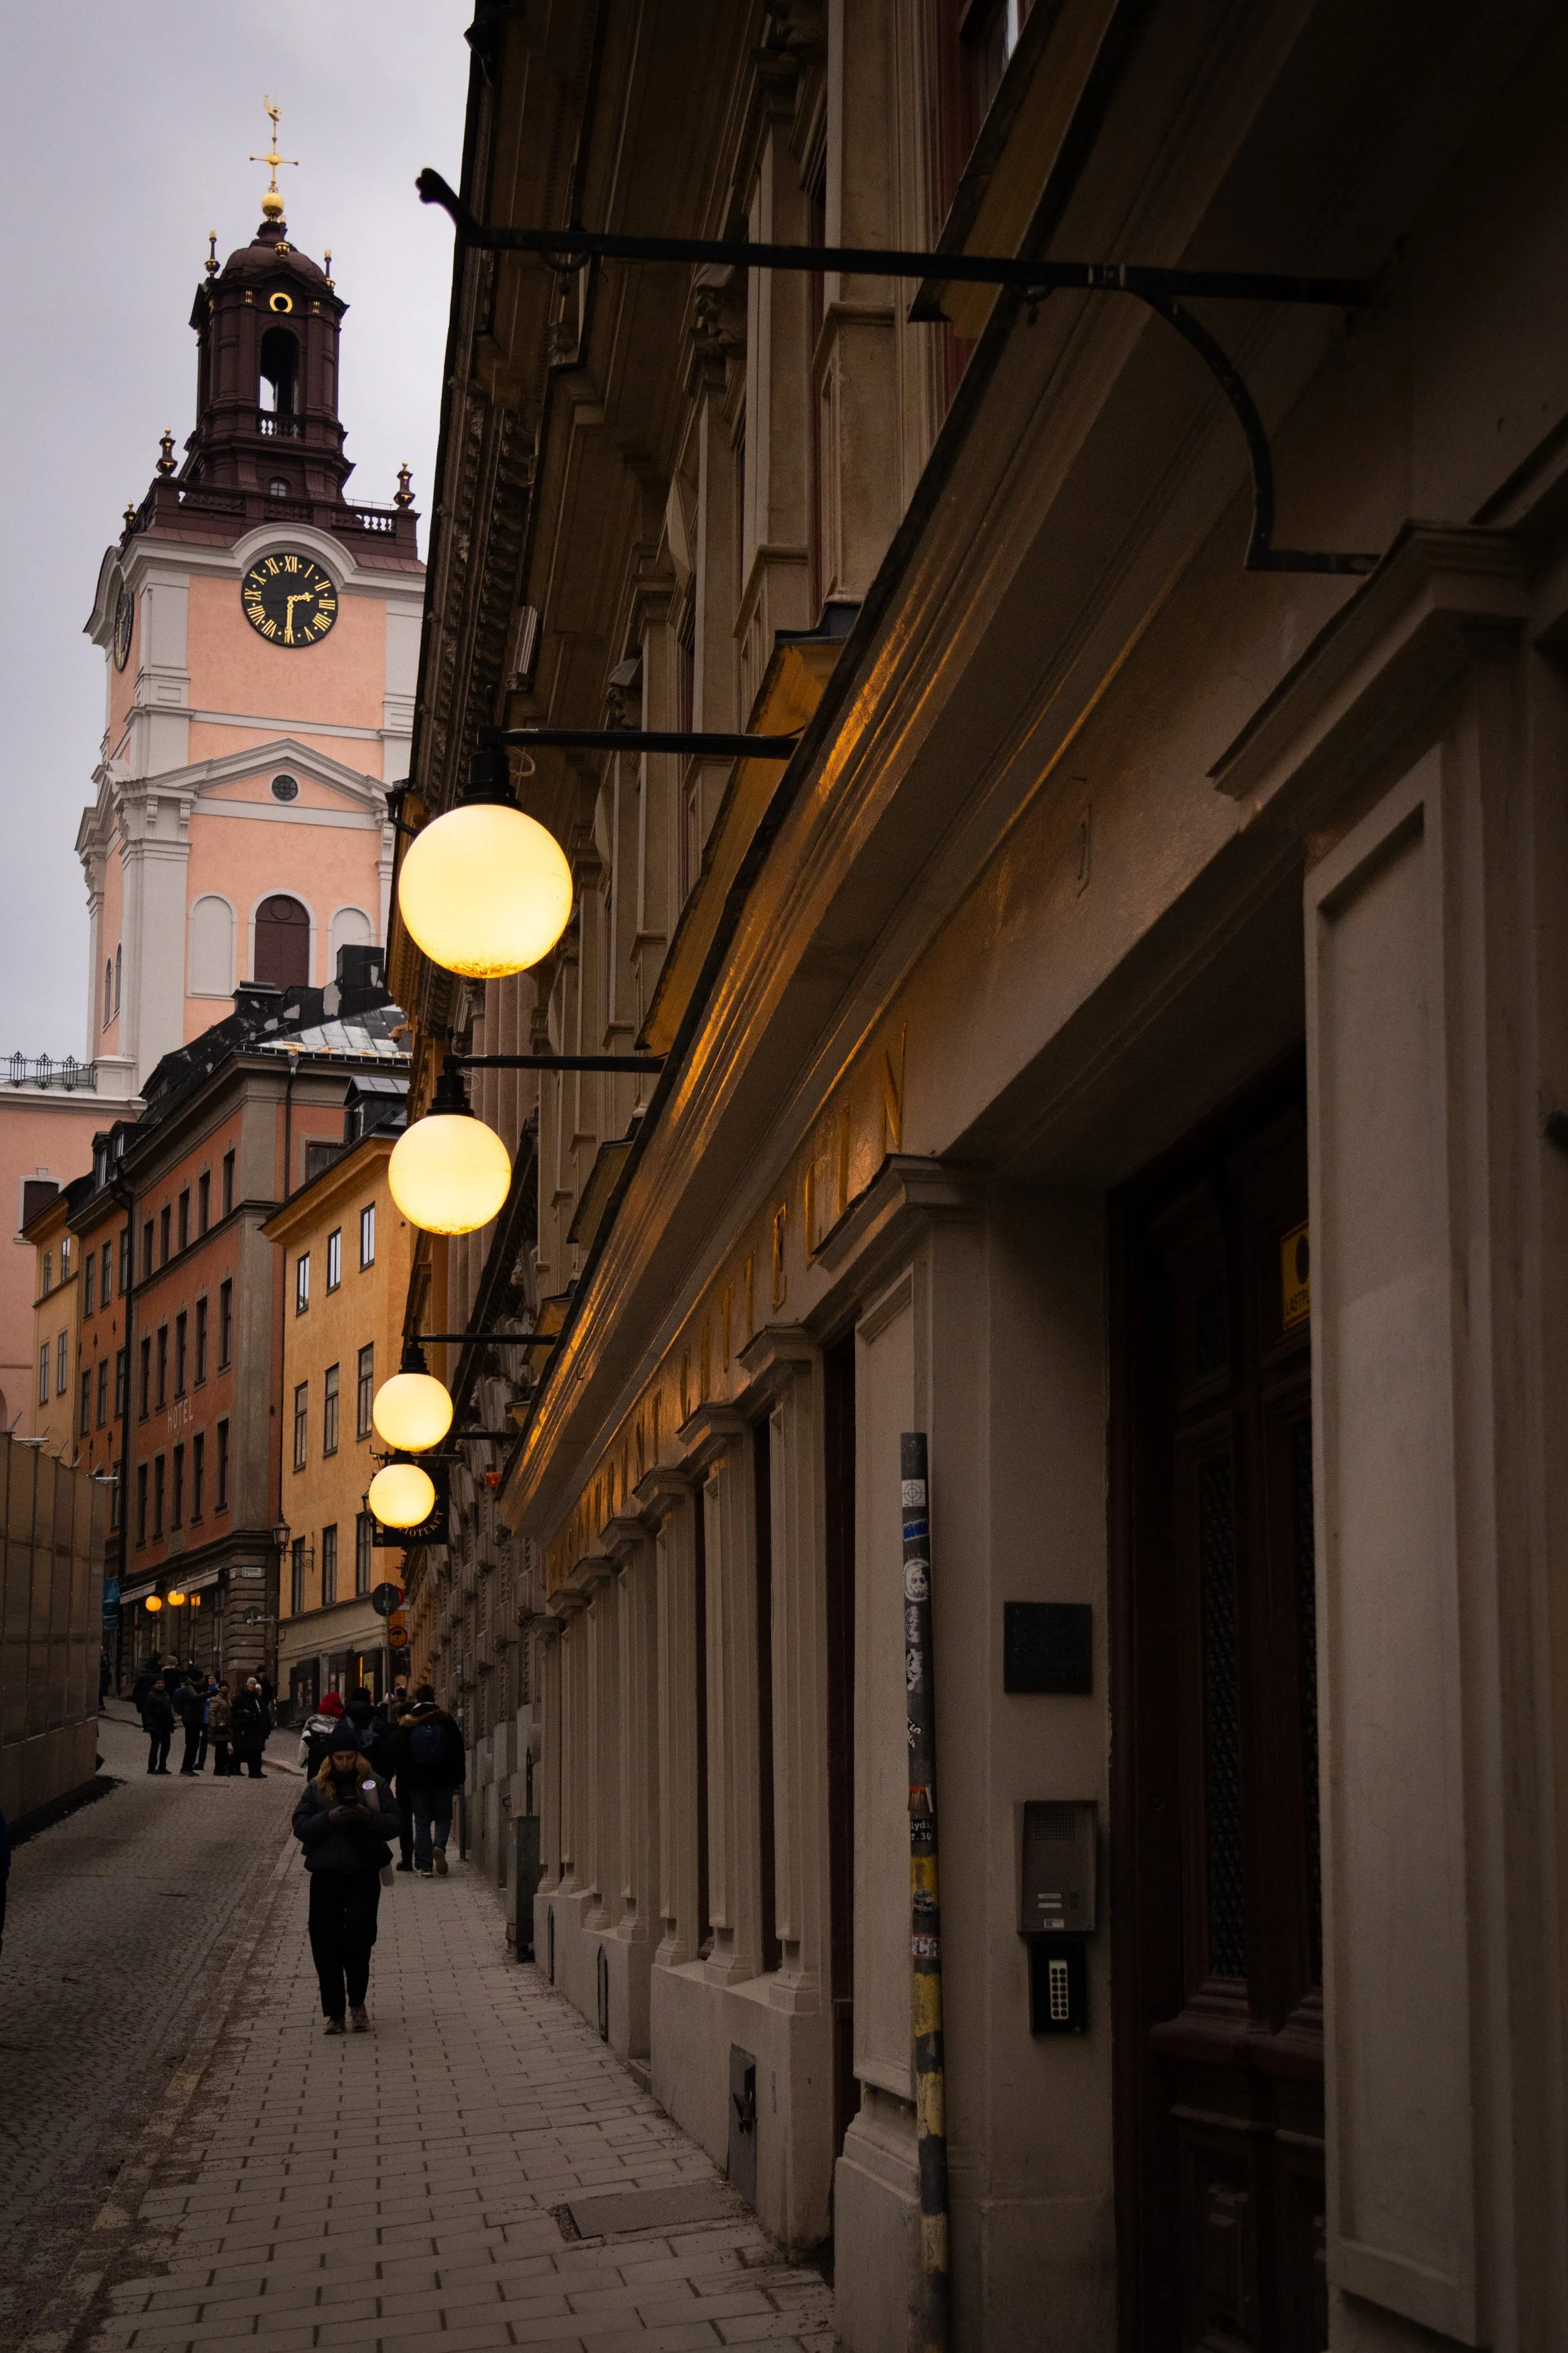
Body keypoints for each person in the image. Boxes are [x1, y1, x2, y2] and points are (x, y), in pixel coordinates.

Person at [292, 1733, 400, 2033]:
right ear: (331, 1759)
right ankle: (334, 2013)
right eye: (339, 1758)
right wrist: (330, 1818)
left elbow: (395, 1823)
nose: (344, 1763)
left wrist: (367, 1816)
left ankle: (358, 2005)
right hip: (325, 1876)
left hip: (362, 1874)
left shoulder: (373, 1784)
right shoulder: (317, 1788)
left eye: (349, 1757)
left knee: (359, 1940)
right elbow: (300, 1827)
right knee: (325, 1944)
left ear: (357, 1756)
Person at [394, 1686, 465, 1877]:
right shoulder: (446, 1720)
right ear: (434, 1698)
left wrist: (404, 1780)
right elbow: (458, 1752)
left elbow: (399, 1755)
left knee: (422, 1822)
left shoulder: (408, 1723)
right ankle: (439, 1846)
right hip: (443, 1780)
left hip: (416, 1782)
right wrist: (459, 1779)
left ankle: (424, 1866)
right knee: (443, 1817)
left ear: (416, 1699)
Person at [297, 1688, 347, 1773]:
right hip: (331, 1773)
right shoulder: (338, 1732)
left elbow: (301, 1761)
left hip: (312, 1775)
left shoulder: (308, 1733)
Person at [230, 1677, 270, 1778]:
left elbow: (262, 1711)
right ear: (247, 1685)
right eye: (251, 1684)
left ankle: (257, 1771)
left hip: (258, 1728)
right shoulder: (241, 1696)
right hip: (248, 1728)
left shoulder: (256, 1697)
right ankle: (252, 1771)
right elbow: (235, 1710)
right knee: (251, 1751)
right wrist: (246, 1714)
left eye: (254, 1684)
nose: (253, 1686)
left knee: (258, 1751)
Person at [174, 1677, 206, 1775]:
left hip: (195, 1720)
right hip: (190, 1720)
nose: (204, 1680)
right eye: (203, 1677)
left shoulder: (196, 1688)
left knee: (194, 1745)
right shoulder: (190, 1688)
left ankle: (188, 1768)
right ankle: (186, 1768)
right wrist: (209, 1694)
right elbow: (194, 1698)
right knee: (191, 1745)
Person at [144, 1677, 175, 1775]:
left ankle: (162, 1766)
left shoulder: (166, 1695)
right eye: (158, 1683)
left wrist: (171, 1723)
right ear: (155, 1685)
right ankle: (151, 1767)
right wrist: (149, 1725)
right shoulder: (151, 1695)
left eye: (162, 1683)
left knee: (166, 1746)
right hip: (156, 1724)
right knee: (155, 1746)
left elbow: (169, 1711)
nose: (161, 1685)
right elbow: (147, 1711)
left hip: (165, 1724)